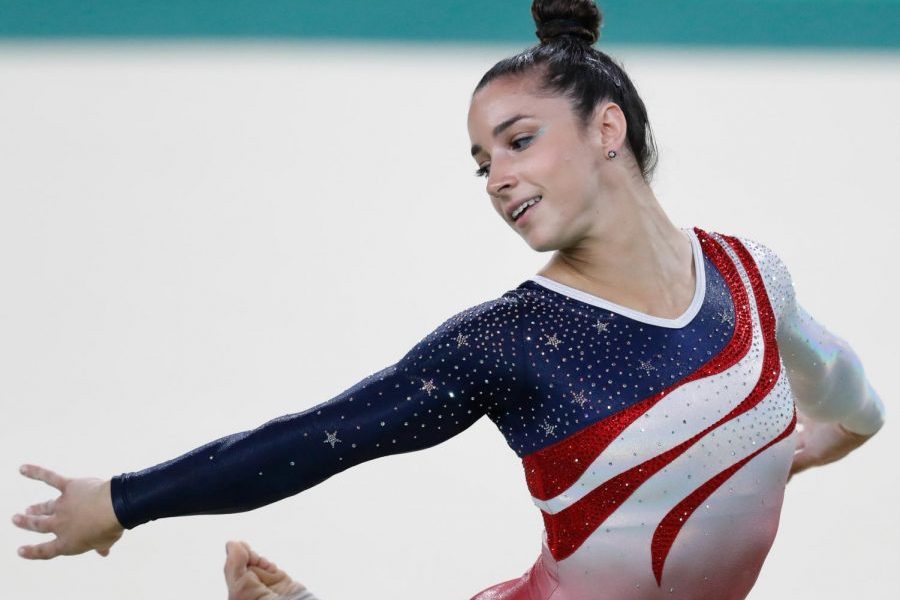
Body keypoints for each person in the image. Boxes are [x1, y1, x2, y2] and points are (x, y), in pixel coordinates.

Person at [12, 1, 885, 598]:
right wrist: (120, 500)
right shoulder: (507, 341)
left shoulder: (748, 274)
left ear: (606, 129)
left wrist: (775, 451)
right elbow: (318, 439)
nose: (498, 178)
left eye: (518, 141)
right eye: (482, 163)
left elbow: (857, 405)